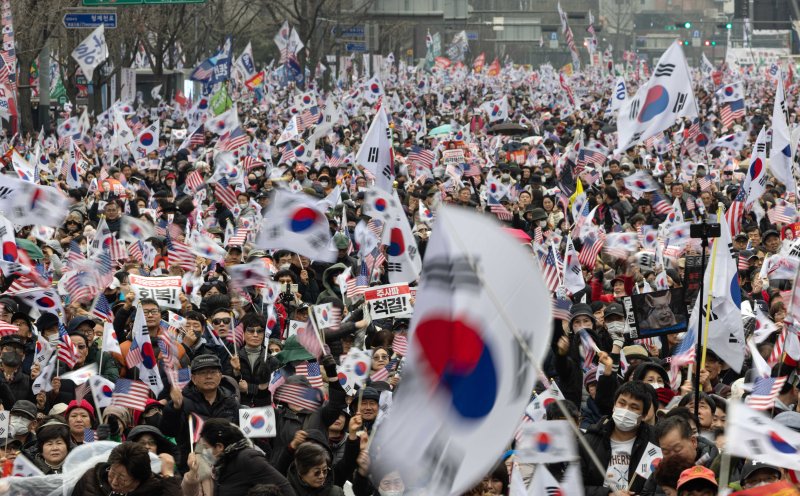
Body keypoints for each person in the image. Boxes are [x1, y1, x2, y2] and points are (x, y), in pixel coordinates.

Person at [161, 354, 239, 467]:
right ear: (193, 378)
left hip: (226, 465)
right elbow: (169, 431)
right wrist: (175, 408)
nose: (208, 376)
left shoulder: (231, 401)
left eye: (213, 372)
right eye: (202, 373)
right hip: (193, 466)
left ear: (220, 376)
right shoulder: (182, 402)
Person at [579, 381, 656, 495]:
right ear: (614, 405)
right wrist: (608, 494)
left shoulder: (654, 444)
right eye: (622, 403)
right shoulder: (588, 442)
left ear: (644, 416)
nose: (626, 410)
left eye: (634, 407)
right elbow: (574, 488)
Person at [195, 418, 294, 496]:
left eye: (206, 447)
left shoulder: (247, 458)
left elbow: (284, 488)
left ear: (219, 447)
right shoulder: (221, 465)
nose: (204, 452)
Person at [72, 441, 181, 495]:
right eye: (112, 472)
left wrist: (169, 476)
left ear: (138, 479)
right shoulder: (91, 477)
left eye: (122, 479)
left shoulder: (154, 489)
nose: (114, 482)